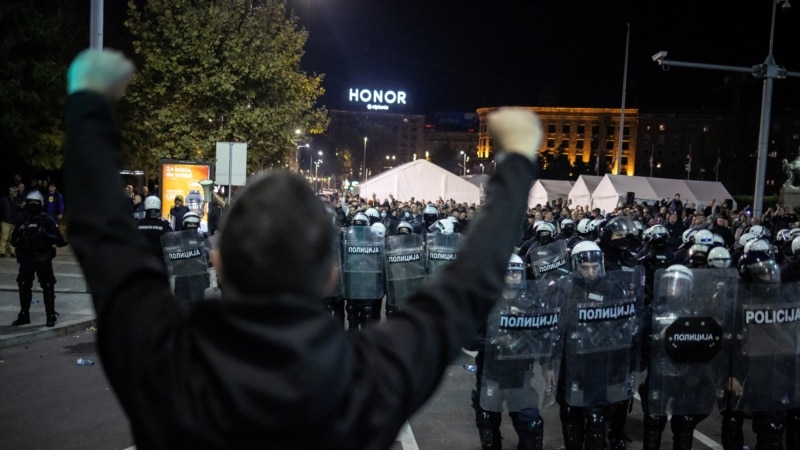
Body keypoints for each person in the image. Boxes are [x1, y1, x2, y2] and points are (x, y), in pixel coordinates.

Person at [63, 48, 541, 450]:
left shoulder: (164, 361)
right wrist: (517, 160)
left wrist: (88, 103)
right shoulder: (365, 381)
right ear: (331, 274)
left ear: (218, 261)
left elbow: (102, 233)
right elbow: (467, 285)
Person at [10, 190, 68, 326]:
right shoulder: (24, 219)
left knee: (48, 286)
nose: (33, 206)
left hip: (43, 257)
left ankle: (50, 315)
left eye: (35, 203)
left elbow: (60, 241)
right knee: (24, 285)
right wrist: (20, 232)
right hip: (26, 258)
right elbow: (13, 241)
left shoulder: (46, 219)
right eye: (30, 203)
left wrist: (46, 236)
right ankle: (24, 314)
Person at [1, 186, 20, 257]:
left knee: (12, 238)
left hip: (14, 222)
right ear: (10, 192)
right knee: (4, 237)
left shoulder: (17, 200)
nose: (16, 193)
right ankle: (2, 251)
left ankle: (12, 251)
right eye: (15, 192)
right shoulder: (4, 200)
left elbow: (17, 211)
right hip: (5, 221)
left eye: (16, 191)